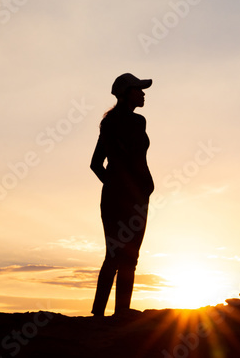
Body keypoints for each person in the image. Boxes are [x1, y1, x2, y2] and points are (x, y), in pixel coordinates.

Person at [89, 72, 154, 317]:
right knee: (121, 257)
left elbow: (98, 164)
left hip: (132, 199)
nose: (143, 93)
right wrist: (122, 189)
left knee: (122, 257)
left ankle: (111, 315)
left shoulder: (125, 122)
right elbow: (99, 163)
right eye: (139, 89)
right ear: (127, 93)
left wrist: (122, 187)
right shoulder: (124, 123)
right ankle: (108, 316)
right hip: (126, 200)